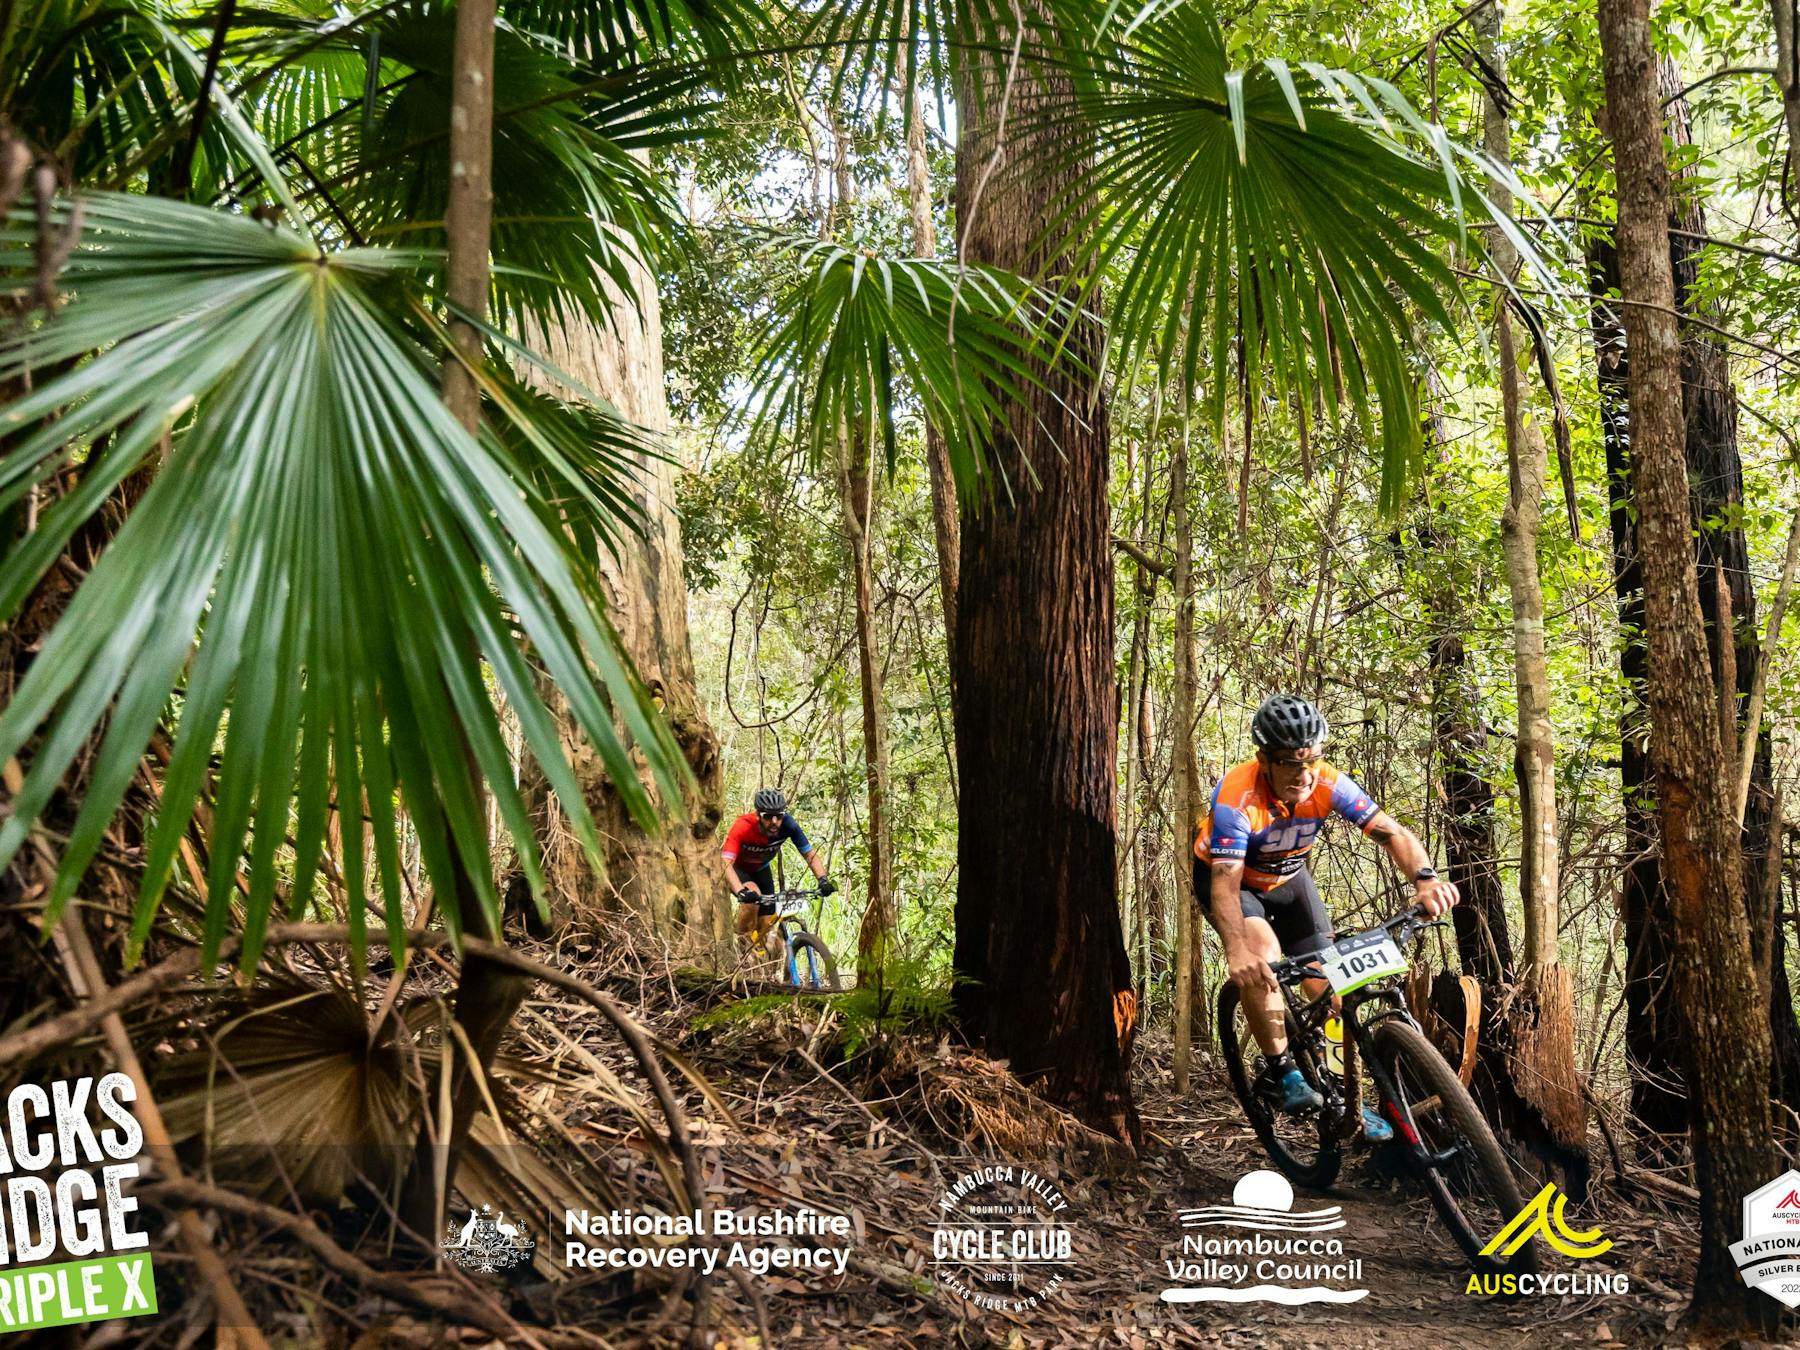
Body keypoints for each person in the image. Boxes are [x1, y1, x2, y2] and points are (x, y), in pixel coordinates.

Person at [1194, 694, 1460, 1144]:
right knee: (1264, 959)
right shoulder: (1237, 800)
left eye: (1312, 760)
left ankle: (1343, 1093)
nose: (1304, 775)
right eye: (1290, 765)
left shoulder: (1328, 783)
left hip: (1291, 880)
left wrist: (1426, 878)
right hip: (1238, 886)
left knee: (1331, 991)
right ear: (1264, 760)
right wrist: (1235, 948)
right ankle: (1281, 1070)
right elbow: (1224, 881)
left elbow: (1391, 832)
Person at [722, 788, 836, 950]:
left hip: (762, 870)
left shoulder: (789, 825)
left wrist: (823, 880)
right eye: (768, 817)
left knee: (767, 925)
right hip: (737, 869)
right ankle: (738, 950)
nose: (774, 821)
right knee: (752, 898)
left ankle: (759, 961)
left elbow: (810, 855)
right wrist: (740, 890)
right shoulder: (743, 826)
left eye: (779, 816)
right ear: (758, 815)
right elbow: (725, 862)